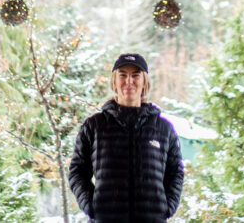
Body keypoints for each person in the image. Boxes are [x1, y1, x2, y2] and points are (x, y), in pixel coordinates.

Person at [68, 53, 184, 222]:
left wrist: (167, 207)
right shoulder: (94, 126)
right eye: (123, 75)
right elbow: (77, 171)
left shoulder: (163, 129)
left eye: (135, 75)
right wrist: (91, 205)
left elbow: (176, 172)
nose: (129, 81)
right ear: (114, 82)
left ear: (144, 82)